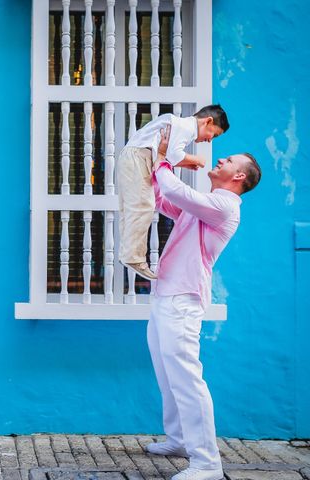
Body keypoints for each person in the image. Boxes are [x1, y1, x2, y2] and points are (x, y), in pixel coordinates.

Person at [145, 125, 261, 480]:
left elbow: (178, 193)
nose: (220, 159)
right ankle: (178, 438)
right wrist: (153, 177)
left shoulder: (225, 205)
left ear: (238, 176)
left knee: (186, 378)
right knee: (167, 375)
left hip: (183, 299)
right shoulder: (207, 205)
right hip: (166, 294)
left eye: (228, 160)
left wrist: (165, 160)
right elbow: (169, 202)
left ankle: (207, 463)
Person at [117, 105, 230, 280]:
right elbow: (174, 155)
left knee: (133, 206)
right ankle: (133, 257)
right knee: (143, 205)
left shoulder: (178, 124)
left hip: (137, 156)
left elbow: (166, 155)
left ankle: (129, 253)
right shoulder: (185, 127)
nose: (210, 140)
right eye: (213, 135)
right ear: (208, 121)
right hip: (139, 157)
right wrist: (196, 160)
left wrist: (185, 163)